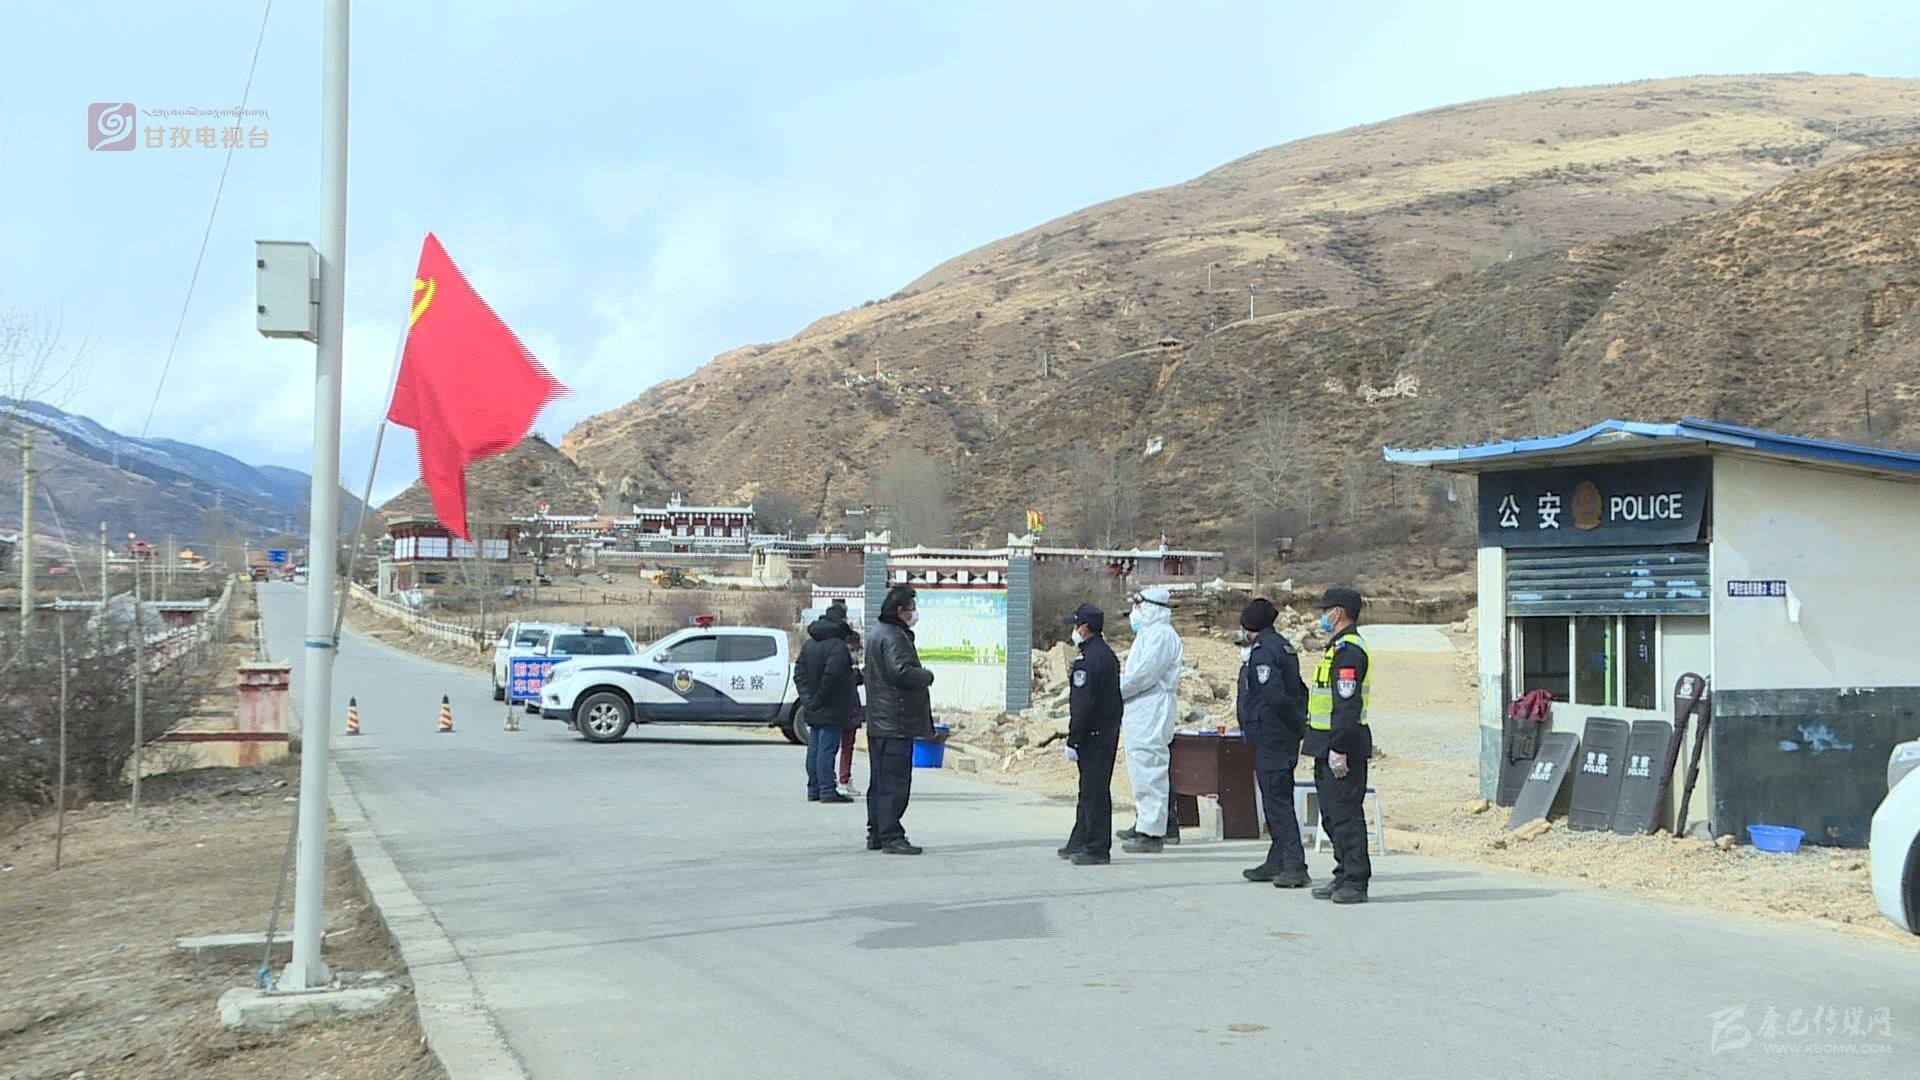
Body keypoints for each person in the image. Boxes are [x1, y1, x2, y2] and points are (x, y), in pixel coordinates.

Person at [1235, 598, 1312, 887]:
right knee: (1277, 798)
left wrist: (1291, 723)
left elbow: (1274, 696)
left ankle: (1295, 865)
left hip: (1272, 735)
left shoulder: (1264, 652)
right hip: (1280, 735)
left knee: (1277, 802)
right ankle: (1277, 860)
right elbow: (1300, 690)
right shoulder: (1284, 647)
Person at [1305, 587, 1373, 904]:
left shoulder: (1350, 651)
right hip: (1324, 743)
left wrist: (1339, 748)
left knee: (1346, 816)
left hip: (1343, 744)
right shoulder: (1336, 648)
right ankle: (1343, 873)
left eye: (1326, 610)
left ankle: (1356, 880)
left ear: (1339, 612)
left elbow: (1347, 704)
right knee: (1332, 816)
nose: (1323, 616)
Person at [865, 585, 936, 854]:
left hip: (880, 720)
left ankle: (877, 831)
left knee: (880, 780)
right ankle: (892, 835)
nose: (914, 614)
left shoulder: (877, 632)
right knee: (894, 782)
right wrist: (926, 676)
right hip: (896, 720)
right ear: (899, 611)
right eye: (912, 609)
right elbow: (901, 672)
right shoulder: (894, 636)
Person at [1114, 587, 1184, 854]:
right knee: (1141, 767)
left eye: (1138, 606)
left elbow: (1143, 675)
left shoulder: (1160, 635)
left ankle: (1152, 832)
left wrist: (1112, 689)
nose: (1134, 613)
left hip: (1152, 707)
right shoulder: (1149, 634)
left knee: (1150, 766)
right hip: (1142, 709)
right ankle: (1146, 821)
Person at [1058, 603, 1123, 866]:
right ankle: (1080, 839)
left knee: (1094, 792)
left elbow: (1082, 706)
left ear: (1084, 629)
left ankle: (1096, 847)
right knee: (1089, 790)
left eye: (1075, 625)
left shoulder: (1088, 661)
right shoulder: (1106, 655)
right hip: (1105, 732)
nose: (1073, 631)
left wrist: (1074, 740)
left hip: (1093, 735)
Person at [794, 607, 855, 804]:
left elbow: (799, 673)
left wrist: (807, 699)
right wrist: (820, 697)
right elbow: (833, 676)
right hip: (831, 705)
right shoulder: (837, 647)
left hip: (812, 704)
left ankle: (814, 788)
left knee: (814, 748)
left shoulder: (809, 644)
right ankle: (827, 789)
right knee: (827, 749)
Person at [837, 630, 864, 797]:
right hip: (848, 707)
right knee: (846, 747)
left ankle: (842, 779)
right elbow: (850, 681)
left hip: (841, 706)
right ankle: (843, 779)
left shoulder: (838, 656)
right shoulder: (844, 659)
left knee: (841, 746)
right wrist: (858, 673)